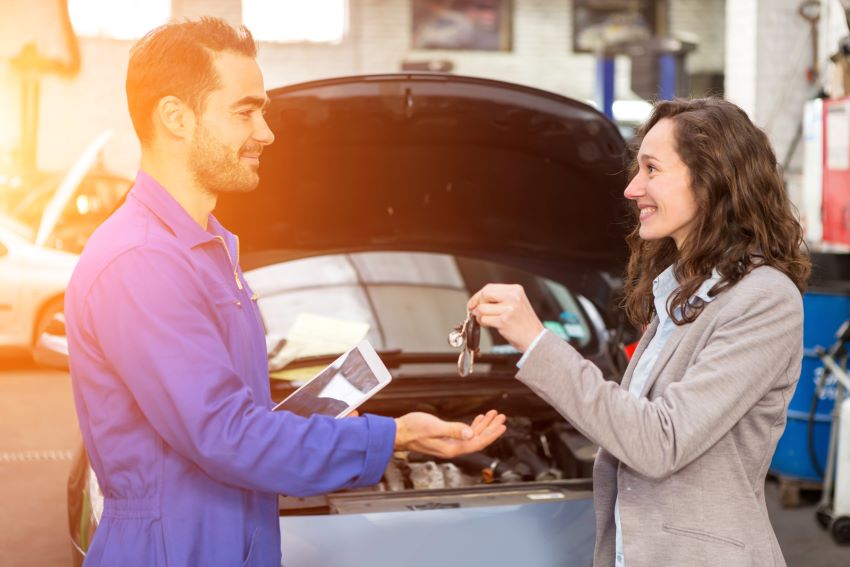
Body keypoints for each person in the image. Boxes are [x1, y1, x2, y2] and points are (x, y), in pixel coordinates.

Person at [65, 17, 506, 567]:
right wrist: (393, 435)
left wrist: (315, 423)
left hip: (231, 537)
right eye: (245, 110)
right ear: (176, 117)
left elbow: (232, 412)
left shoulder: (207, 249)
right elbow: (227, 436)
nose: (266, 131)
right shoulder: (142, 263)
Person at [468, 97, 810, 567]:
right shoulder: (678, 293)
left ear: (712, 177)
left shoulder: (765, 299)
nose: (632, 189)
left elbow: (661, 442)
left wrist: (536, 340)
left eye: (651, 169)